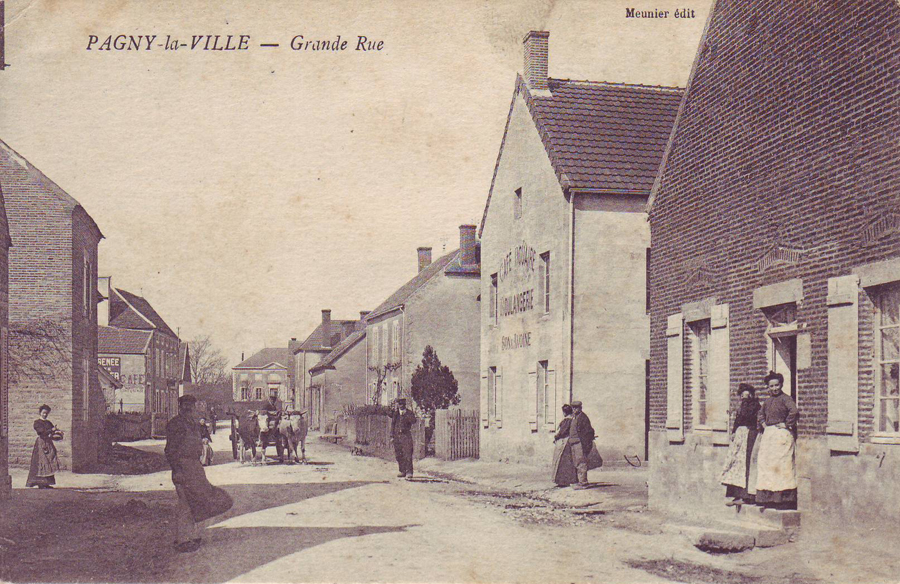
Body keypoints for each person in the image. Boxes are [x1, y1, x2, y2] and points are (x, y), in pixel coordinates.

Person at [165, 395, 233, 553]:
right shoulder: (176, 424)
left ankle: (190, 536)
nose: (189, 409)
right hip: (183, 466)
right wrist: (177, 470)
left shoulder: (193, 424)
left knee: (197, 500)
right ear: (180, 407)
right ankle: (182, 540)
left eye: (191, 405)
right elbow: (170, 451)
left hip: (194, 466)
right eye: (186, 405)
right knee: (185, 503)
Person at [755, 371, 799, 509]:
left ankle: (784, 500)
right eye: (771, 386)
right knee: (767, 464)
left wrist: (786, 424)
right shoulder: (767, 401)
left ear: (781, 385)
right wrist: (763, 424)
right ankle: (769, 499)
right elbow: (760, 414)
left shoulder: (786, 399)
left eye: (776, 385)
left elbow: (794, 411)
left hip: (781, 435)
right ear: (768, 387)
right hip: (769, 435)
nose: (774, 388)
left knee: (782, 465)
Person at [719, 383, 761, 505]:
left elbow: (748, 417)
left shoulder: (754, 406)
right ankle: (736, 495)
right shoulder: (742, 406)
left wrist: (747, 404)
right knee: (736, 464)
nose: (744, 398)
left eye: (746, 395)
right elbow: (738, 420)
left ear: (751, 395)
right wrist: (733, 432)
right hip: (740, 437)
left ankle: (746, 496)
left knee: (746, 464)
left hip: (749, 435)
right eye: (742, 396)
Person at [26, 405, 61, 489]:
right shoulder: (37, 422)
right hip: (41, 444)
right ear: (40, 413)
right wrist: (50, 431)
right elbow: (41, 432)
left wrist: (57, 431)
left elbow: (52, 431)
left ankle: (47, 483)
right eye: (43, 413)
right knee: (42, 462)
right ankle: (40, 483)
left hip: (48, 443)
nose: (45, 414)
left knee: (49, 461)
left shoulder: (48, 422)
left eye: (46, 413)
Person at [567, 401, 595, 489]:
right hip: (573, 443)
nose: (574, 410)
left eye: (576, 408)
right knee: (576, 462)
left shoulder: (583, 418)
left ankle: (583, 482)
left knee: (581, 462)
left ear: (580, 408)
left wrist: (585, 443)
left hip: (579, 443)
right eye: (573, 408)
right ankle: (579, 481)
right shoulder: (575, 417)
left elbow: (589, 431)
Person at [551, 404, 577, 486]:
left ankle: (563, 481)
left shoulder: (567, 421)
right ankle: (570, 480)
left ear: (565, 412)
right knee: (568, 461)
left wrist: (556, 436)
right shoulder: (572, 419)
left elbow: (563, 431)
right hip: (568, 442)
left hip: (564, 442)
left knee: (562, 461)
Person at [390, 398, 416, 478]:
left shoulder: (409, 413)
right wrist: (392, 436)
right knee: (398, 454)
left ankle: (409, 472)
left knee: (407, 453)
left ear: (404, 405)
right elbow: (393, 425)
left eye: (401, 404)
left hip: (406, 436)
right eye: (399, 404)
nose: (400, 406)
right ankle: (402, 471)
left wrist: (406, 415)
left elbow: (414, 421)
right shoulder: (396, 414)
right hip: (397, 436)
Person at [261, 391, 285, 463]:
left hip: (274, 423)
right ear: (269, 399)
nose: (273, 400)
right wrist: (270, 413)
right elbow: (263, 413)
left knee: (279, 436)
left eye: (274, 399)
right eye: (272, 399)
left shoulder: (275, 406)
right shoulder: (266, 405)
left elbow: (278, 412)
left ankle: (280, 455)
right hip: (267, 423)